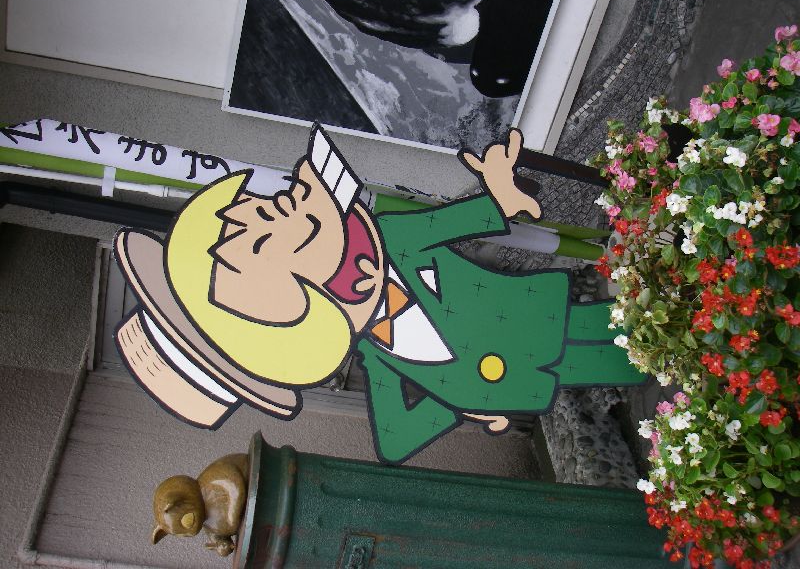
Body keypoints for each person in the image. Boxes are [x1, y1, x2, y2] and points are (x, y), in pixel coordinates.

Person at [115, 125, 645, 464]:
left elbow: (462, 220)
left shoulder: (387, 237)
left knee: (642, 325)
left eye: (259, 206)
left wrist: (500, 196)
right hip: (522, 379)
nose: (263, 203)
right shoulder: (375, 355)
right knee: (639, 360)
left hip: (540, 316)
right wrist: (460, 405)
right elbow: (395, 439)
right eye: (256, 231)